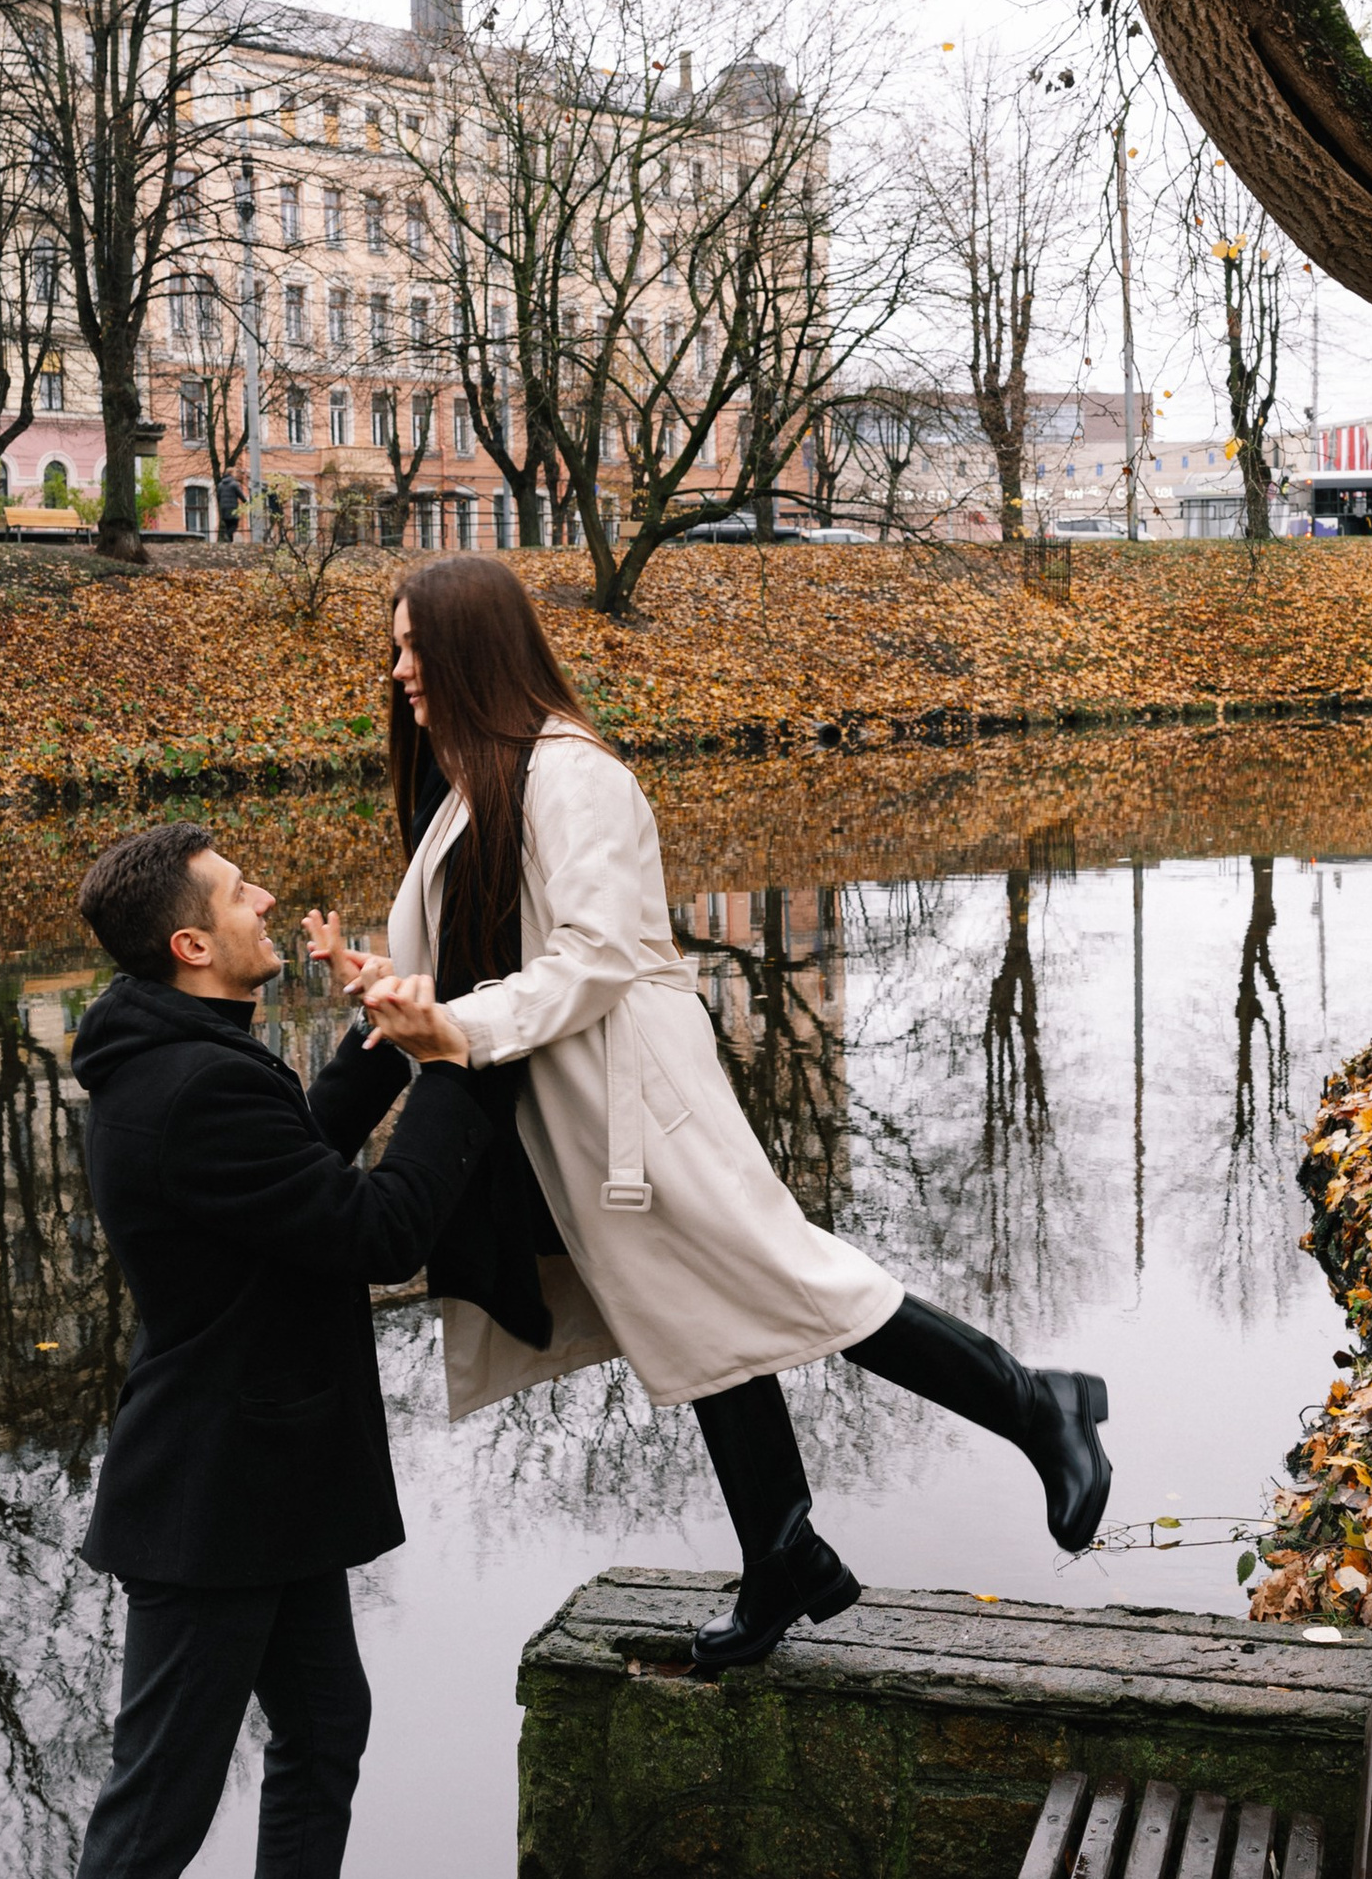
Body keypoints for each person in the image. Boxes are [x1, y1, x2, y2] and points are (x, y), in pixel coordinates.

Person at [313, 559, 1112, 1681]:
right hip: (569, 1104)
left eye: (413, 649)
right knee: (694, 1315)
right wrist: (394, 989)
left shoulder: (571, 775)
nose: (397, 671)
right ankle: (781, 1551)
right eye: (393, 648)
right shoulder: (472, 790)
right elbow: (475, 958)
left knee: (781, 1277)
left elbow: (590, 957)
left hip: (635, 1090)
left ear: (473, 651)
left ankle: (1039, 1406)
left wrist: (457, 1030)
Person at [33, 818, 485, 1879]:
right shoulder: (183, 1092)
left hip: (268, 1472)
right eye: (240, 894)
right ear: (190, 944)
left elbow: (291, 1158)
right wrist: (452, 1068)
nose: (267, 900)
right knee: (157, 1802)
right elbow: (375, 1235)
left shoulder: (186, 1056)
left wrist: (372, 1054)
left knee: (326, 1725)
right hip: (215, 1494)